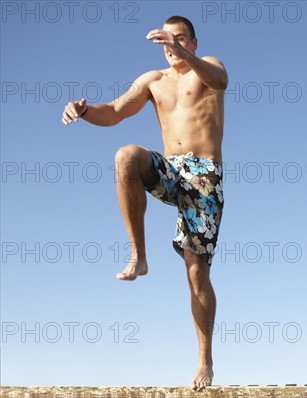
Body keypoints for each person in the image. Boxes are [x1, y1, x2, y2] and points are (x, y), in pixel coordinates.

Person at [61, 16, 227, 391]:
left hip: (205, 176)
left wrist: (184, 52)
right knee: (126, 157)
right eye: (167, 41)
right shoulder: (153, 80)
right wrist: (85, 111)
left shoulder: (209, 66)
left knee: (196, 270)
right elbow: (116, 111)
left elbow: (220, 82)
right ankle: (139, 254)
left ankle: (205, 361)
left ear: (194, 42)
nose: (172, 46)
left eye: (180, 39)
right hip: (170, 168)